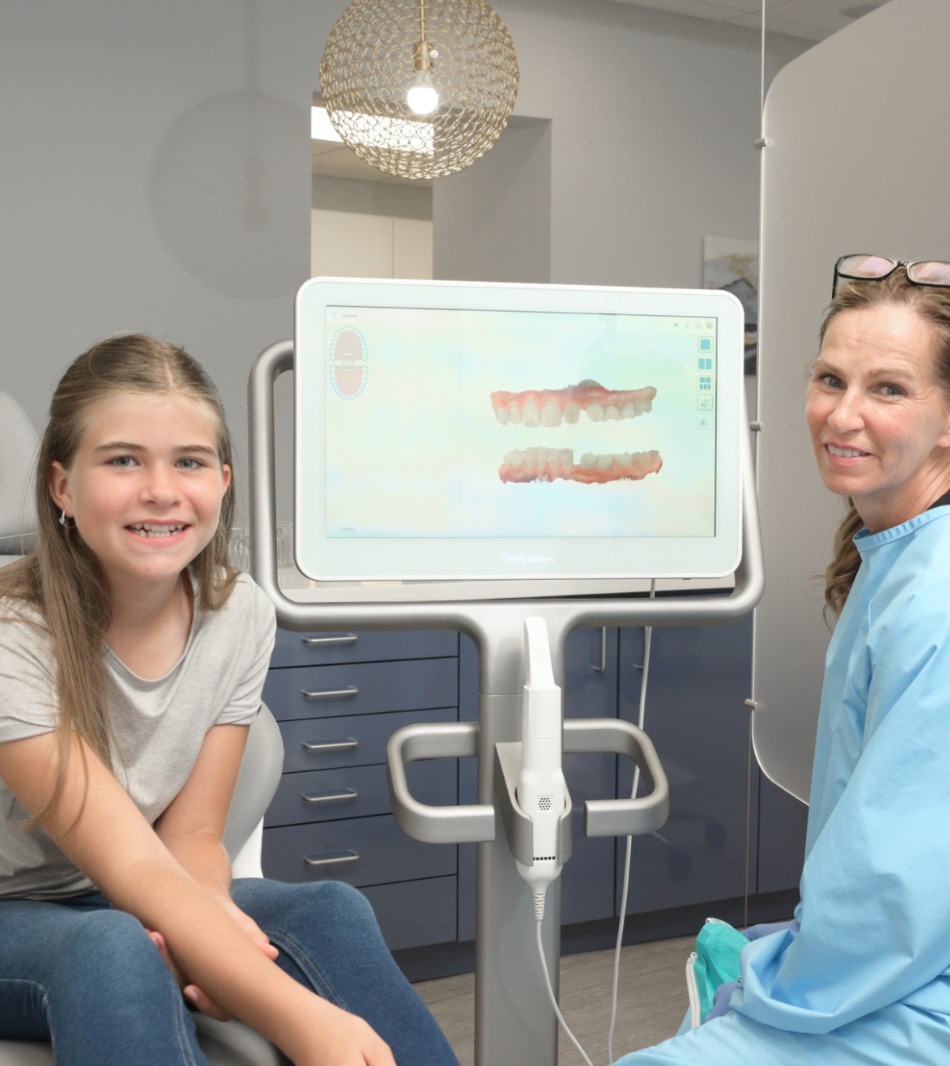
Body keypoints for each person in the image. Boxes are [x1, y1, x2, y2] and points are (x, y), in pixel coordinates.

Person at [0, 333, 459, 1066]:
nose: (160, 488)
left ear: (224, 480)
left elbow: (190, 842)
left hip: (120, 890)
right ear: (62, 486)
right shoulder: (12, 635)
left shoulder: (237, 612)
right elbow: (133, 866)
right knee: (116, 947)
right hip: (32, 912)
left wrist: (212, 929)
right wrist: (301, 1019)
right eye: (123, 460)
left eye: (189, 461)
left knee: (328, 912)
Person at [612, 255, 950, 1064]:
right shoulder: (894, 557)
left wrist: (772, 996)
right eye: (831, 380)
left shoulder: (935, 597)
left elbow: (896, 891)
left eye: (888, 389)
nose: (843, 415)